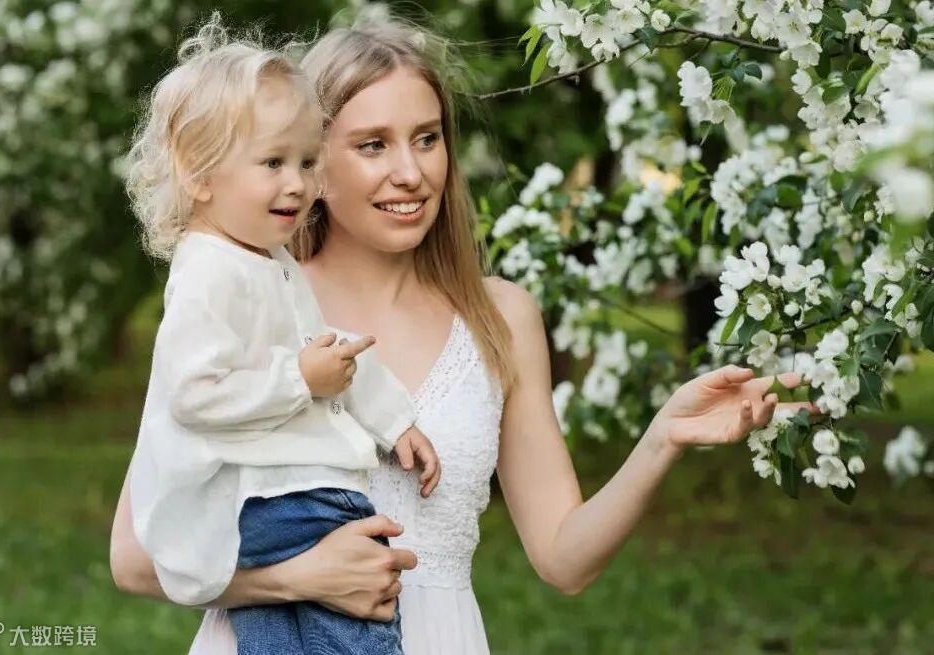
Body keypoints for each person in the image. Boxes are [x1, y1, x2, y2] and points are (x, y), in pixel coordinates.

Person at [110, 17, 810, 655]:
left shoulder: (501, 317)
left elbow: (564, 560)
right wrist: (298, 579)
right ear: (312, 158)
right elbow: (135, 557)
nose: (411, 173)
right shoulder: (251, 295)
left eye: (427, 138)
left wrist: (664, 438)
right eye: (372, 145)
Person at [121, 15, 439, 655]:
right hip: (268, 499)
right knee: (360, 592)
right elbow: (195, 393)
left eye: (306, 162)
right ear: (198, 173)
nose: (297, 183)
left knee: (273, 632)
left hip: (263, 500)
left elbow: (326, 347)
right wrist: (299, 379)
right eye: (273, 162)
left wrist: (393, 418)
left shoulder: (263, 259)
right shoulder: (210, 273)